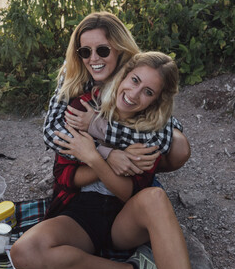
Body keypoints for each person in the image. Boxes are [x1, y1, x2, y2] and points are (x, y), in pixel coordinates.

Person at [10, 51, 199, 269]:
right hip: (82, 211)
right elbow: (64, 176)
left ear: (156, 100)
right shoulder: (84, 106)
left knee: (155, 197)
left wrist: (94, 158)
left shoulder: (151, 132)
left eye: (148, 92)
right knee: (24, 253)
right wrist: (109, 156)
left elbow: (127, 192)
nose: (134, 94)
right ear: (124, 75)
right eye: (134, 80)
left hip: (126, 218)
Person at [44, 11, 190, 178]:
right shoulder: (74, 68)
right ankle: (105, 175)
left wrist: (98, 126)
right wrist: (106, 154)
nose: (93, 59)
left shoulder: (134, 69)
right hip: (90, 151)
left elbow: (162, 137)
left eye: (103, 50)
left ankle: (137, 174)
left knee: (179, 146)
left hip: (121, 138)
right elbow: (51, 129)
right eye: (85, 51)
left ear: (119, 48)